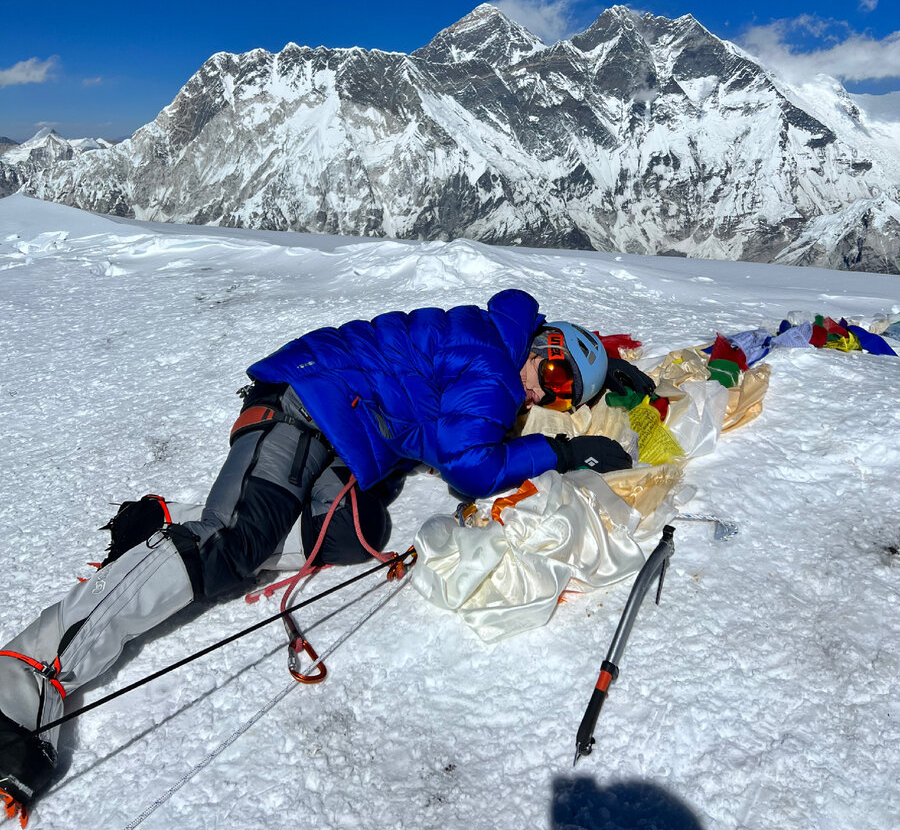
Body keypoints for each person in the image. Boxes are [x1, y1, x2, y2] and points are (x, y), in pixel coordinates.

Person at [0, 288, 647, 821]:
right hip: (306, 404)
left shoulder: (500, 347)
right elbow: (471, 468)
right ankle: (26, 680)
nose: (545, 398)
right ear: (542, 345)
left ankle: (175, 538)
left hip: (349, 426)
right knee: (237, 545)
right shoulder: (496, 367)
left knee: (351, 536)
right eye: (555, 376)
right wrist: (563, 452)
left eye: (564, 396)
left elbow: (463, 422)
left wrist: (603, 375)